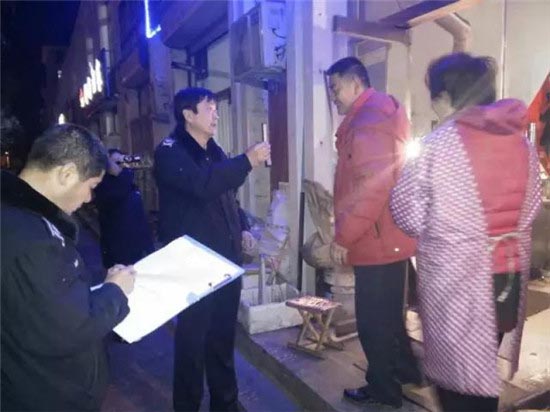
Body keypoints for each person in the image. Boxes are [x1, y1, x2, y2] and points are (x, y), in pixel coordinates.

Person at [390, 53, 542, 411]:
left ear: (446, 97)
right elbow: (533, 204)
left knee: (457, 382)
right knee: (485, 368)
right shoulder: (521, 144)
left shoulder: (437, 146)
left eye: (434, 98)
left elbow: (407, 214)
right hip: (507, 279)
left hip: (458, 283)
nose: (434, 108)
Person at [1, 124, 136, 411]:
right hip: (47, 396)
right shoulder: (33, 239)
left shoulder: (18, 217)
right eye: (91, 187)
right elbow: (71, 327)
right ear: (66, 174)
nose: (89, 199)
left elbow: (44, 304)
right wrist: (115, 291)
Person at [154, 87, 270, 412]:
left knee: (222, 338)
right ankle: (187, 406)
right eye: (209, 108)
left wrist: (242, 227)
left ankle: (225, 403)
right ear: (188, 115)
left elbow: (226, 195)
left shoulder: (214, 150)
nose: (216, 114)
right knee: (192, 342)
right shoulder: (171, 152)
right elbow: (203, 185)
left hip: (225, 261)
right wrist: (246, 160)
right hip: (193, 264)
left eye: (216, 108)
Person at [326, 56, 419, 408]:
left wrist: (343, 237)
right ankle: (408, 373)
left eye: (336, 88)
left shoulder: (368, 122)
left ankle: (384, 391)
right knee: (390, 317)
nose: (333, 97)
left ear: (355, 84)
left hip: (376, 240)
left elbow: (372, 189)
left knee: (373, 323)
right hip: (388, 238)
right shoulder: (378, 115)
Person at [94, 149, 155, 268]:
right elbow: (120, 188)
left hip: (136, 245)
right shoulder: (105, 184)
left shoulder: (128, 185)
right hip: (118, 249)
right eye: (117, 162)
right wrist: (114, 166)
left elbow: (140, 218)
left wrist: (149, 247)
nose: (121, 165)